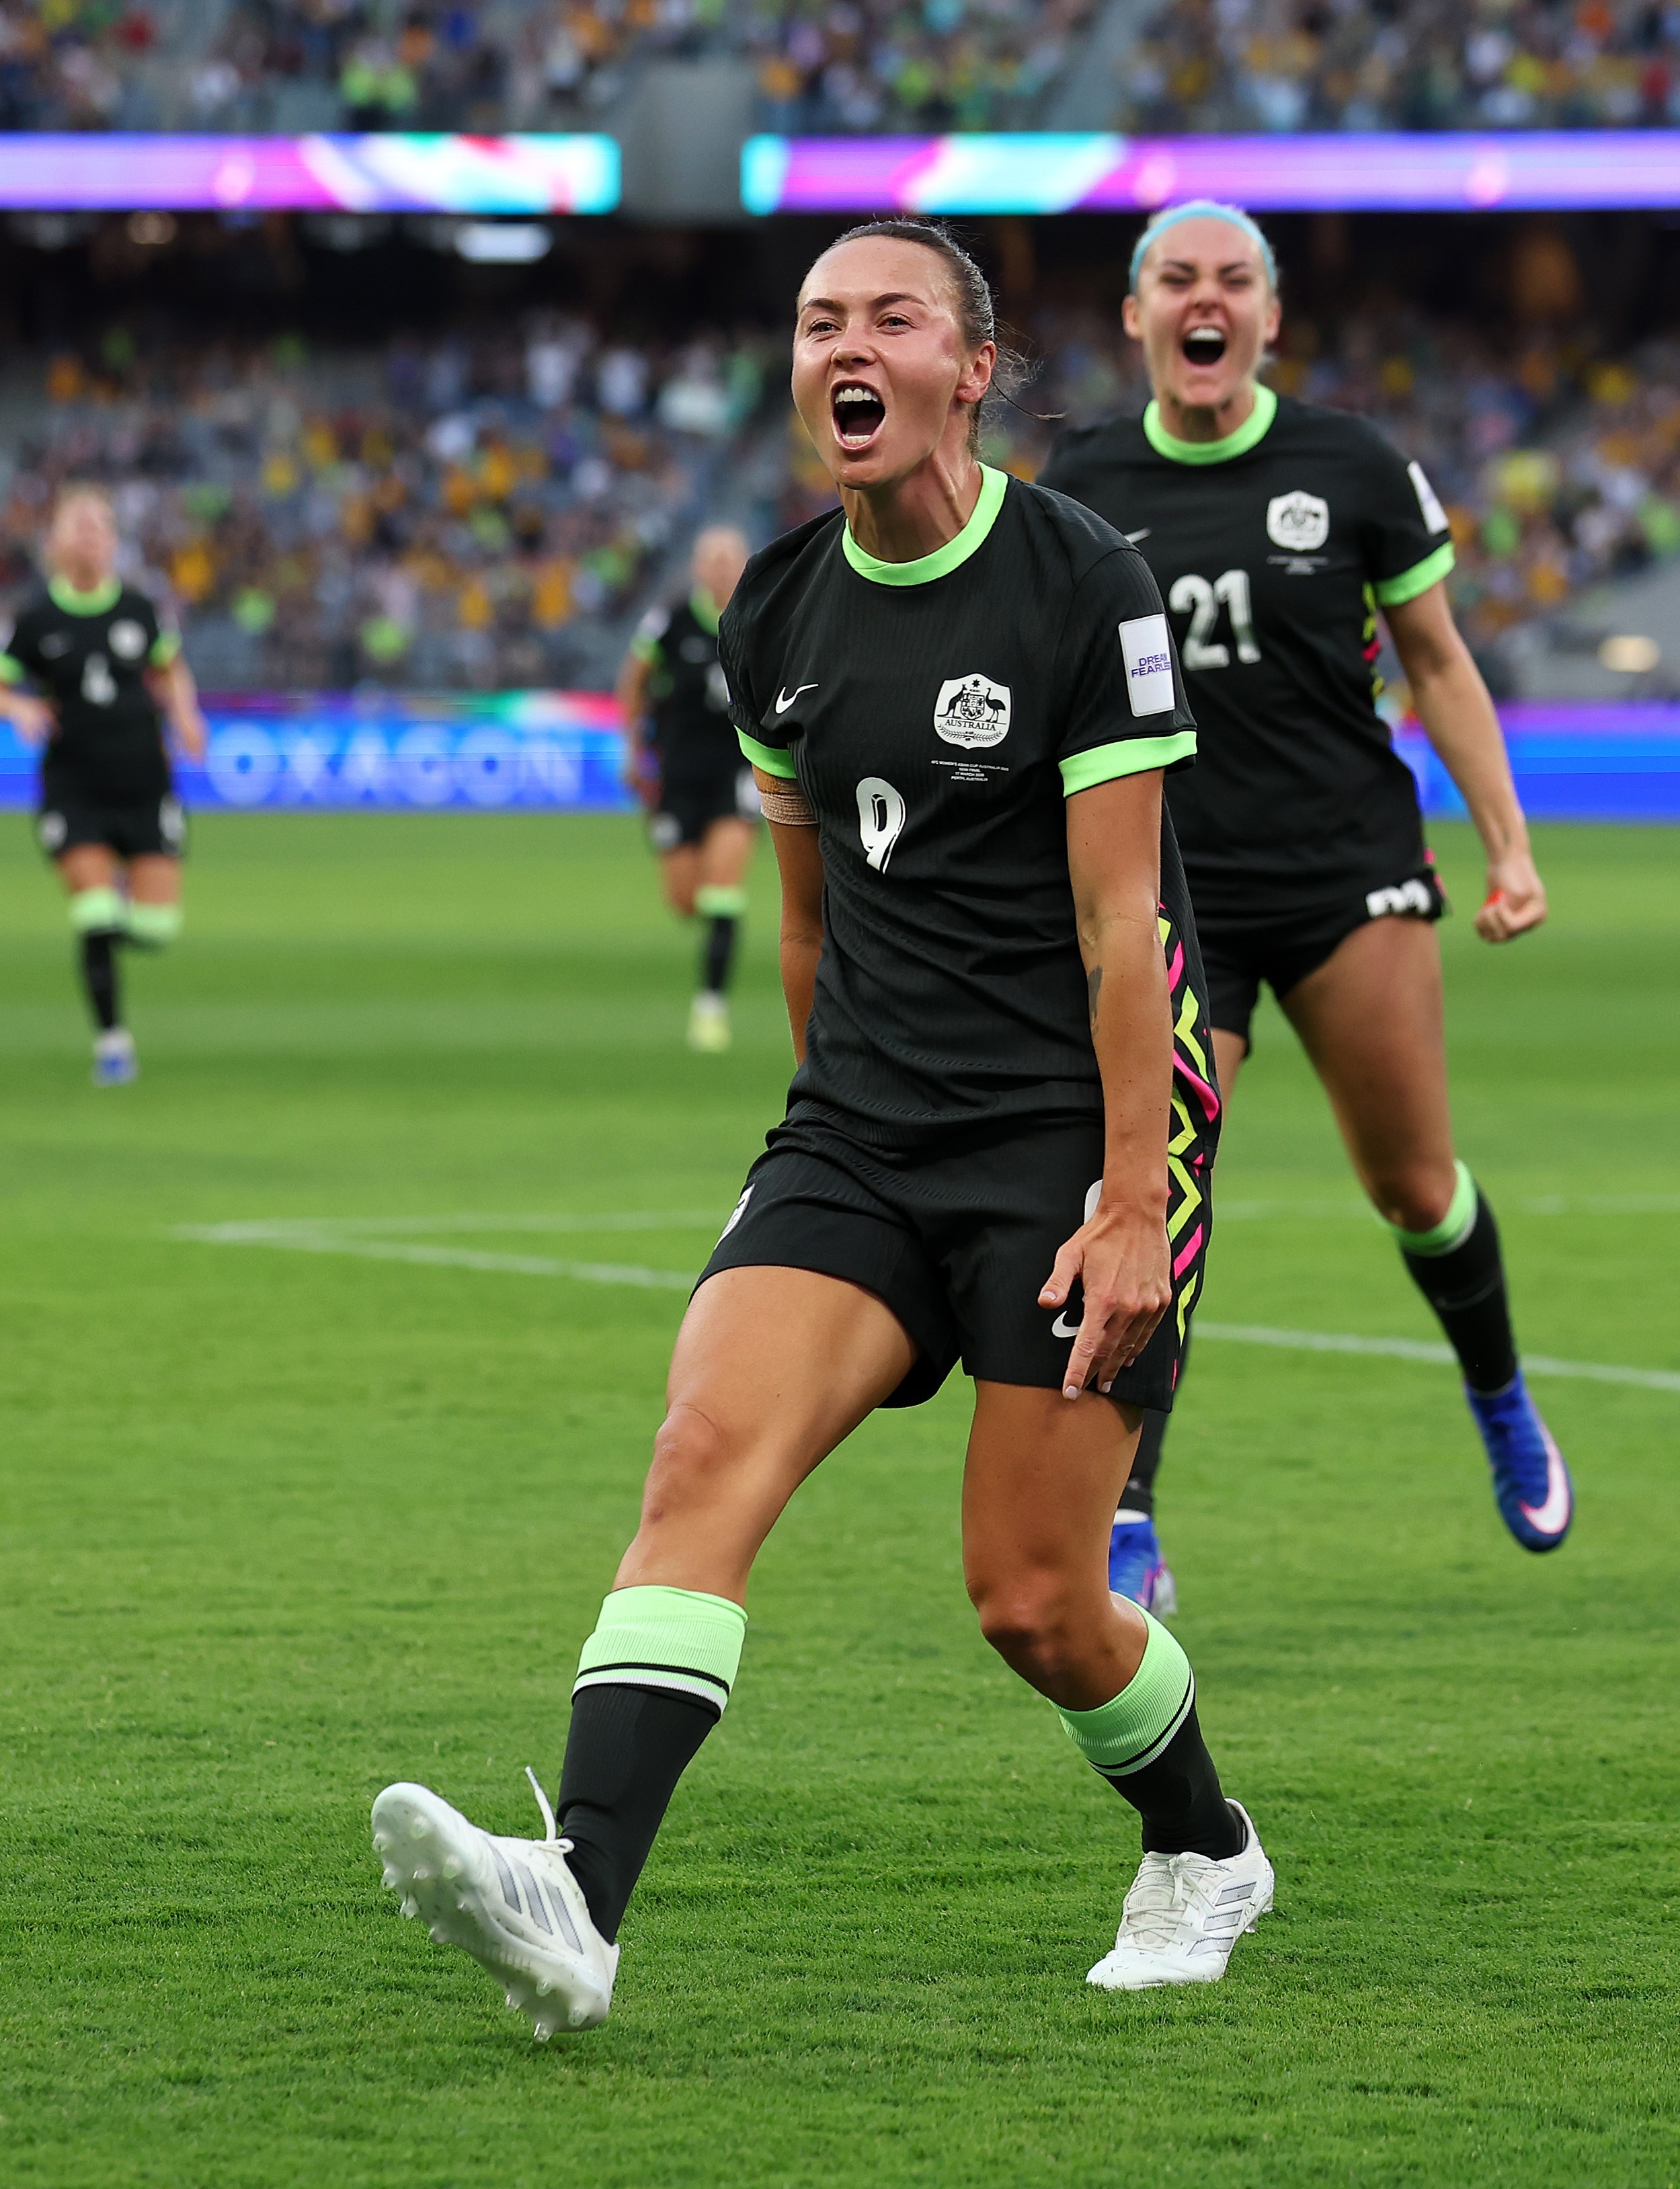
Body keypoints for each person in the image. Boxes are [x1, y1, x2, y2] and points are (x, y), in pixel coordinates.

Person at [372, 219, 1269, 2033]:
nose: (842, 348)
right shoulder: (773, 609)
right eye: (813, 323)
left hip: (1066, 1143)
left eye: (888, 318)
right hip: (858, 1132)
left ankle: (1205, 1845)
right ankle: (578, 1904)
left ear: (972, 368)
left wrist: (1129, 1205)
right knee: (700, 1455)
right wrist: (820, 1149)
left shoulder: (1083, 581)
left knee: (1033, 1600)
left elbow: (1127, 930)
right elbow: (804, 924)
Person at [1039, 202, 1568, 1609]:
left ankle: (1500, 1391)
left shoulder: (1352, 464)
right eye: (1175, 279)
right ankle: (1130, 1511)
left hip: (1346, 869)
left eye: (1233, 281)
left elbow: (1437, 662)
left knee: (1414, 1184)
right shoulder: (1084, 480)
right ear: (1137, 315)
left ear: (1270, 318)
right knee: (1159, 1185)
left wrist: (1508, 846)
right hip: (1175, 894)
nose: (1203, 301)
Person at [0, 487, 208, 1087]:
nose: (89, 538)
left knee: (154, 930)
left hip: (145, 782)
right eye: (77, 527)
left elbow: (169, 669)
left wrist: (186, 715)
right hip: (74, 785)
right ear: (53, 543)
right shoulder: (33, 619)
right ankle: (113, 1043)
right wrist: (19, 708)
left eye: (99, 527)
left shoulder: (140, 609)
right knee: (95, 913)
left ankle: (122, 906)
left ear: (113, 542)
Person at [616, 523, 758, 1052]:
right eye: (713, 560)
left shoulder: (761, 618)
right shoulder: (670, 621)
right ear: (698, 568)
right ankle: (712, 955)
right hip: (678, 774)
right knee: (684, 900)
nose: (721, 569)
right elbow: (632, 683)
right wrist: (633, 749)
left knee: (724, 886)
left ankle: (711, 1008)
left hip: (737, 772)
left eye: (730, 560)